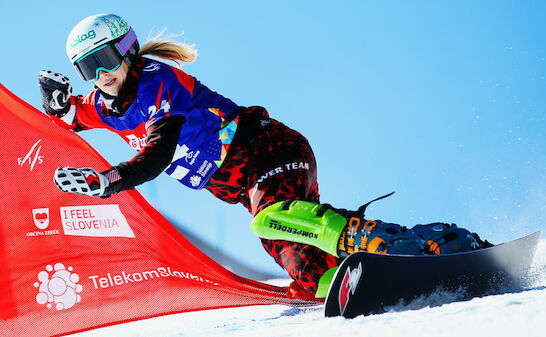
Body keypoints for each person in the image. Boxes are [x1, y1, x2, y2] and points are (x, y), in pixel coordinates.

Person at [40, 14, 491, 300]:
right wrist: (57, 106)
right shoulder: (104, 104)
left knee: (270, 218)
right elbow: (69, 116)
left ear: (127, 49)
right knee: (309, 275)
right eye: (87, 69)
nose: (100, 76)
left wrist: (108, 181)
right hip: (247, 187)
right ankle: (362, 275)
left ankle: (415, 244)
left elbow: (156, 156)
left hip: (268, 149)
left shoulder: (159, 81)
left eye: (104, 60)